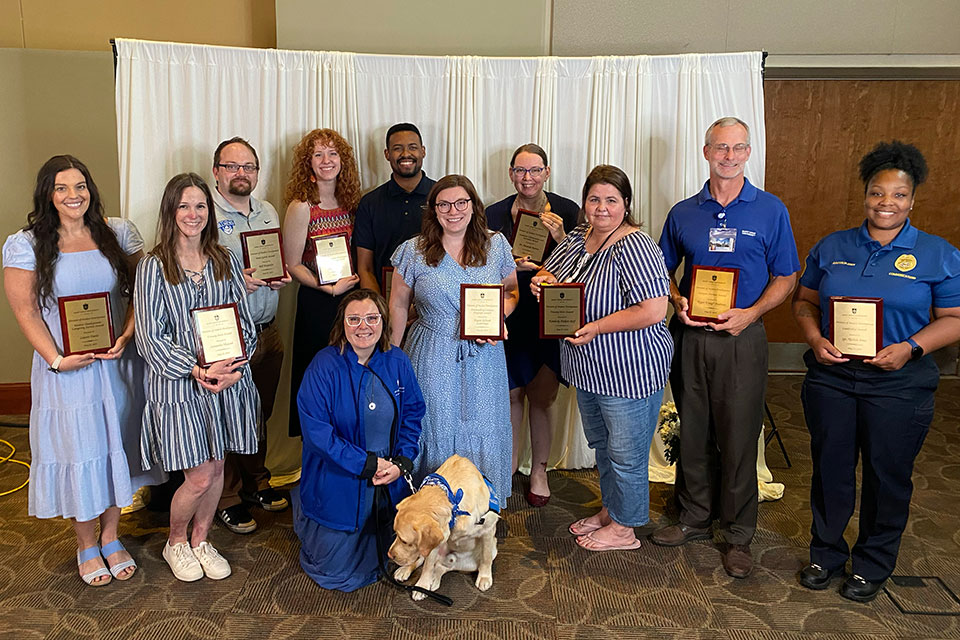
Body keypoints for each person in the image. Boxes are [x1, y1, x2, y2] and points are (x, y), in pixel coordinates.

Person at [793, 141, 960, 602]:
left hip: (899, 384)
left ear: (913, 199)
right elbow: (804, 302)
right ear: (864, 195)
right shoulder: (833, 246)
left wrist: (911, 347)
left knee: (887, 476)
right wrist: (813, 338)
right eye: (876, 193)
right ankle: (825, 554)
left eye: (898, 195)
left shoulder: (937, 254)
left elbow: (954, 318)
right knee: (831, 470)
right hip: (832, 378)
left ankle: (872, 563)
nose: (886, 203)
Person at [2, 155, 162, 586]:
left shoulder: (117, 232)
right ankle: (86, 544)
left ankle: (112, 536)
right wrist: (56, 359)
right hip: (67, 370)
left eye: (80, 186)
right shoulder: (26, 244)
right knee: (81, 451)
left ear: (90, 189)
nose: (73, 196)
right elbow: (25, 311)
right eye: (62, 188)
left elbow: (144, 293)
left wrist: (127, 335)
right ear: (48, 194)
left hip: (115, 362)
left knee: (117, 445)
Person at [652, 117, 800, 578]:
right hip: (692, 337)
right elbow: (661, 270)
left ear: (748, 153)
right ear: (706, 151)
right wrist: (677, 302)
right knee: (692, 428)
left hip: (742, 337)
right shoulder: (683, 212)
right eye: (721, 148)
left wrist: (752, 314)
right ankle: (695, 517)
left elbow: (787, 276)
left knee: (738, 434)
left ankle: (738, 534)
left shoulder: (770, 210)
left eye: (738, 148)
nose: (729, 156)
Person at [531, 164, 673, 551]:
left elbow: (653, 310)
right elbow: (551, 273)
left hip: (629, 368)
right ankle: (612, 510)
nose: (602, 207)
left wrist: (596, 327)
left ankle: (625, 529)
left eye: (612, 200)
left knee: (626, 454)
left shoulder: (636, 245)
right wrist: (541, 282)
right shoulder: (579, 237)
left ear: (626, 204)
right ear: (584, 203)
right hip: (589, 369)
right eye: (594, 199)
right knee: (603, 446)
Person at [135, 173, 261, 582]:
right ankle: (176, 541)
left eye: (201, 206)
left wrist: (235, 367)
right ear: (171, 211)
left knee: (219, 464)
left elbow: (246, 323)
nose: (193, 214)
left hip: (227, 382)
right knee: (200, 474)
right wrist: (196, 368)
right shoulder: (153, 267)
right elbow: (151, 338)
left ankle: (202, 539)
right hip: (181, 385)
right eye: (184, 206)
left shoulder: (224, 259)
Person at [389, 174, 519, 501]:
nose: (453, 211)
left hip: (484, 353)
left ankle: (480, 507)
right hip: (432, 350)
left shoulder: (496, 245)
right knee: (435, 424)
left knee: (484, 424)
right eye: (443, 204)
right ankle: (428, 507)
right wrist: (391, 356)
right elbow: (399, 305)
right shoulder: (413, 251)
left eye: (461, 202)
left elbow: (512, 291)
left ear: (474, 206)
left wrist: (498, 317)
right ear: (433, 210)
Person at [292, 289, 424, 591]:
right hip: (340, 477)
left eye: (371, 318)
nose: (363, 327)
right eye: (354, 319)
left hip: (389, 474)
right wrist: (365, 463)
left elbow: (413, 413)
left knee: (397, 551)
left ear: (382, 322)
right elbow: (317, 434)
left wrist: (402, 462)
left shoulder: (397, 360)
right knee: (334, 573)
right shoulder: (323, 366)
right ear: (342, 323)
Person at [485, 143, 580, 507]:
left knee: (543, 396)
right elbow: (479, 264)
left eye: (535, 170)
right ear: (511, 174)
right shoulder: (494, 214)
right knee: (509, 394)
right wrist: (506, 262)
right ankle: (507, 466)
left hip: (548, 312)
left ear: (547, 172)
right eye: (521, 171)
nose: (528, 178)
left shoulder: (569, 211)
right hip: (509, 311)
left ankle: (539, 470)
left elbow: (584, 264)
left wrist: (560, 240)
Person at [210, 137, 291, 534]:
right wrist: (232, 281)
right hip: (227, 336)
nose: (241, 173)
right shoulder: (201, 212)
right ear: (217, 172)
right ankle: (227, 495)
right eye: (232, 166)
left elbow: (271, 259)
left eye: (249, 167)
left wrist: (279, 275)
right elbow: (193, 272)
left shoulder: (268, 211)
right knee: (226, 415)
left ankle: (257, 482)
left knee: (259, 414)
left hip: (266, 330)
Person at [283, 128, 362, 437]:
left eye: (332, 153)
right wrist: (326, 288)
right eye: (318, 154)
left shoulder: (352, 202)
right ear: (308, 163)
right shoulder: (301, 206)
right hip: (318, 303)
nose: (326, 160)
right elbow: (292, 265)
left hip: (350, 301)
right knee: (319, 379)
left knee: (349, 378)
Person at [354, 123, 435, 293]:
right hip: (384, 299)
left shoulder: (442, 198)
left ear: (423, 151)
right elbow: (365, 268)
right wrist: (378, 311)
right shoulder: (370, 203)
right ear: (387, 154)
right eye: (398, 148)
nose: (406, 154)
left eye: (412, 147)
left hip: (434, 302)